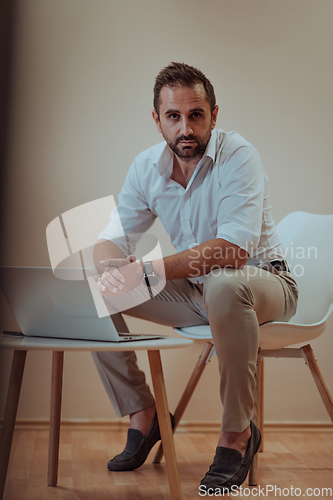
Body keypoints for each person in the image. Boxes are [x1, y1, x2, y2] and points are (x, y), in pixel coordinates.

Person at [92, 62, 298, 491]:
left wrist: (147, 270)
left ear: (214, 115)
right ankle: (144, 413)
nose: (185, 128)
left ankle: (237, 435)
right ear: (157, 120)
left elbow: (233, 251)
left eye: (196, 115)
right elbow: (111, 240)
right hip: (199, 292)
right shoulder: (147, 167)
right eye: (173, 116)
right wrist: (114, 270)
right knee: (99, 290)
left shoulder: (238, 155)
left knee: (225, 281)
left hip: (263, 283)